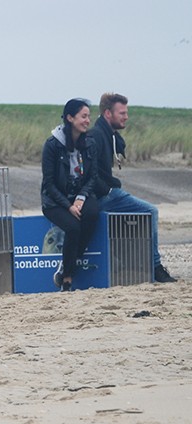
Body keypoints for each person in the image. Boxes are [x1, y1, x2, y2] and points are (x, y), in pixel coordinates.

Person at [87, 92, 177, 283]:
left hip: (105, 193)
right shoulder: (96, 136)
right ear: (108, 114)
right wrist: (108, 189)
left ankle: (132, 263)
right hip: (103, 196)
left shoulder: (108, 135)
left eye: (126, 113)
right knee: (150, 211)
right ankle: (154, 266)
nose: (126, 117)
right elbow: (90, 174)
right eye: (122, 113)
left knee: (135, 214)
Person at [41, 98, 100, 292]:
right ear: (70, 118)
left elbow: (92, 177)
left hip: (79, 196)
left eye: (88, 117)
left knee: (92, 214)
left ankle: (66, 266)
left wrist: (81, 198)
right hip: (55, 200)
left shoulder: (89, 143)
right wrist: (68, 206)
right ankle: (67, 279)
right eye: (83, 116)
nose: (87, 121)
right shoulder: (52, 145)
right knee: (73, 227)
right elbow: (49, 184)